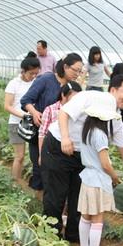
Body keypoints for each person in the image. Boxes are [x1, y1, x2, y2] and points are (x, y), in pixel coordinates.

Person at [42, 75, 123, 242]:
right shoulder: (91, 97)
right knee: (55, 196)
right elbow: (63, 113)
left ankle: (74, 236)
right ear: (113, 90)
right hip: (59, 147)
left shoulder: (115, 119)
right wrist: (66, 138)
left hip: (82, 156)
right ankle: (50, 238)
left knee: (78, 197)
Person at [20, 54, 82, 198]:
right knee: (41, 169)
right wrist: (35, 112)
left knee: (58, 175)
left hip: (62, 139)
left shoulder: (74, 88)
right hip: (41, 132)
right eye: (75, 70)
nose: (77, 74)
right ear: (65, 66)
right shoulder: (46, 79)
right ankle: (38, 202)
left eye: (80, 71)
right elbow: (26, 100)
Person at [78, 103, 122, 246]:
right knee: (97, 219)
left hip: (87, 178)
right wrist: (115, 177)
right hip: (98, 180)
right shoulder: (100, 135)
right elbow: (105, 163)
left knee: (86, 216)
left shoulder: (87, 131)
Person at [5, 53, 41, 181]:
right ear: (23, 71)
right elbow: (7, 106)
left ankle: (23, 180)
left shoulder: (36, 82)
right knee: (19, 156)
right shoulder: (14, 83)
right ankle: (15, 182)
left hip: (33, 124)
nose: (33, 76)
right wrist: (24, 115)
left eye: (36, 73)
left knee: (33, 156)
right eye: (31, 73)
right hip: (16, 123)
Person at [38, 82, 82, 166]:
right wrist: (41, 155)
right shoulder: (51, 110)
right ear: (63, 95)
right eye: (74, 98)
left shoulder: (80, 111)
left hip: (73, 152)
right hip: (54, 151)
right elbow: (42, 134)